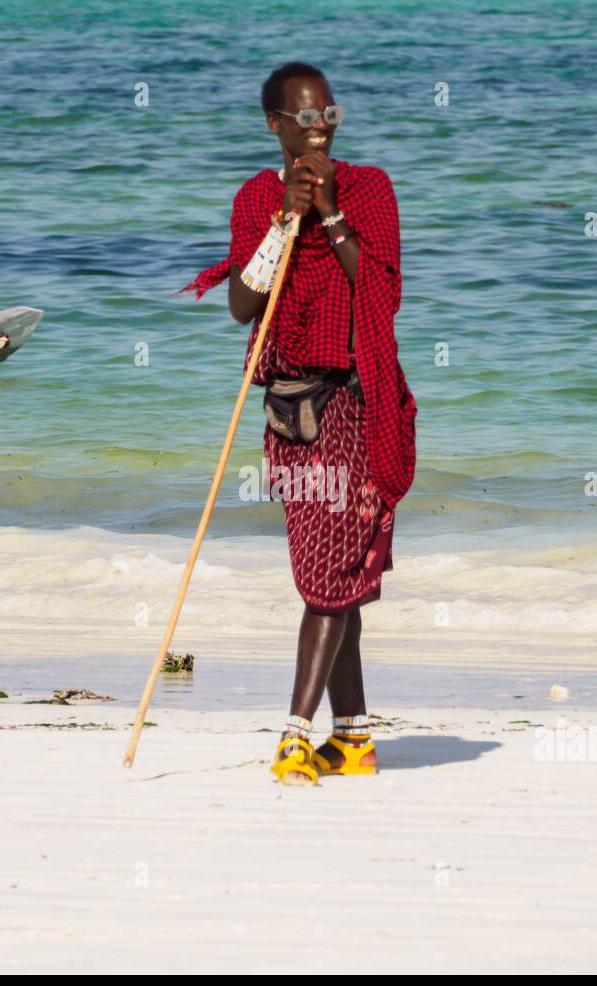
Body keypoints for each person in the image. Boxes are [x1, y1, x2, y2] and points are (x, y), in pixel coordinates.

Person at [177, 61, 417, 786]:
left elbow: (380, 287)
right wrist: (287, 217)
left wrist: (333, 213)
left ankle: (293, 736)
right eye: (303, 118)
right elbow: (245, 305)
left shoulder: (369, 188)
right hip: (288, 409)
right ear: (274, 126)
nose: (317, 129)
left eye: (328, 116)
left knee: (326, 580)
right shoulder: (256, 198)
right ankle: (353, 739)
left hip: (351, 401)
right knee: (334, 577)